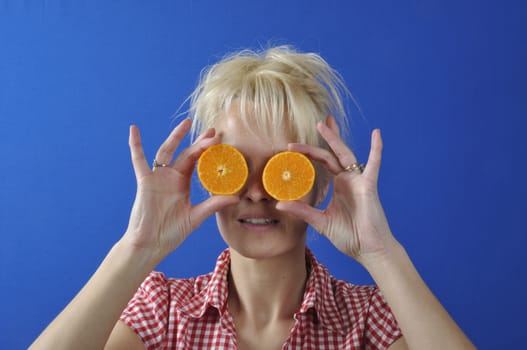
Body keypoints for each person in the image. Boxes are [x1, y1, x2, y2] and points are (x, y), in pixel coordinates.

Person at [30, 46, 475, 349]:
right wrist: (136, 249)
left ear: (321, 181)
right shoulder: (162, 310)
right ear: (209, 174)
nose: (258, 192)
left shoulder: (370, 319)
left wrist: (382, 253)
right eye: (236, 166)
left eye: (284, 169)